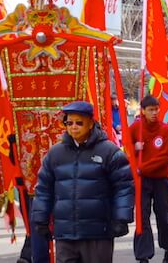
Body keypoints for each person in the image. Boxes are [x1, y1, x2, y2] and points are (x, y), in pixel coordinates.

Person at [31, 101, 134, 263]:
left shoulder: (109, 152)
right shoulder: (55, 154)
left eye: (79, 123)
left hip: (98, 233)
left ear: (91, 123)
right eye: (69, 123)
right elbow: (44, 188)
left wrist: (121, 218)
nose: (74, 127)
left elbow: (124, 186)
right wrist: (40, 218)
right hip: (65, 233)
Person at [130, 95, 168, 263]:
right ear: (143, 111)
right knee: (142, 217)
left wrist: (142, 168)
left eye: (156, 109)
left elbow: (165, 157)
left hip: (160, 179)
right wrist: (135, 148)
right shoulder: (136, 128)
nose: (154, 113)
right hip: (142, 182)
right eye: (150, 110)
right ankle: (143, 255)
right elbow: (126, 151)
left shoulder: (166, 130)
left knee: (164, 216)